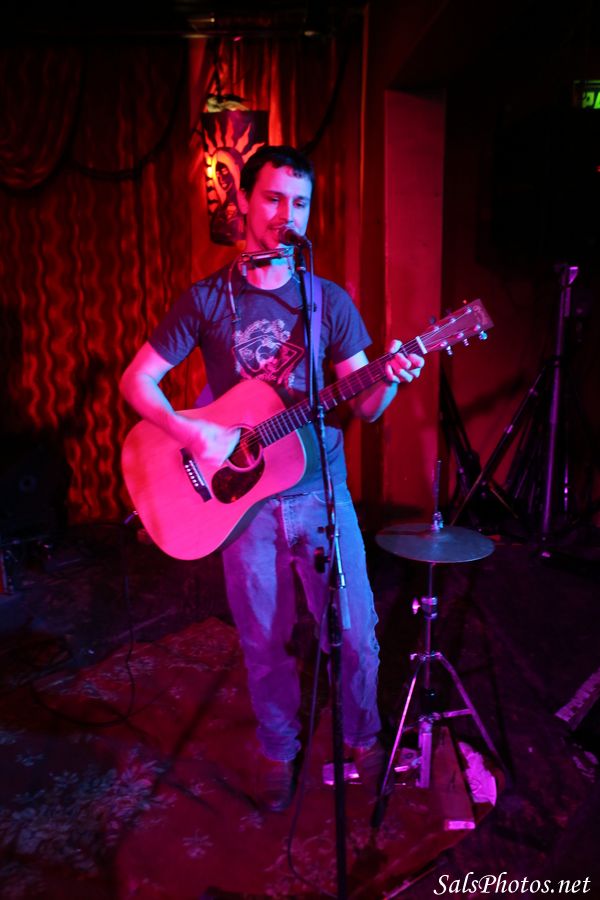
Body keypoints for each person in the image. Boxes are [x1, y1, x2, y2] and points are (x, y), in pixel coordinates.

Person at [120, 145, 424, 812]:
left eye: (301, 202)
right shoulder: (206, 299)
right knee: (263, 639)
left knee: (355, 631)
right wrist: (193, 433)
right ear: (243, 203)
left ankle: (364, 738)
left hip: (320, 492)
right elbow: (137, 382)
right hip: (242, 503)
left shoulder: (328, 301)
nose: (288, 214)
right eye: (274, 198)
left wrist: (396, 376)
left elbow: (366, 405)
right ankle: (280, 748)